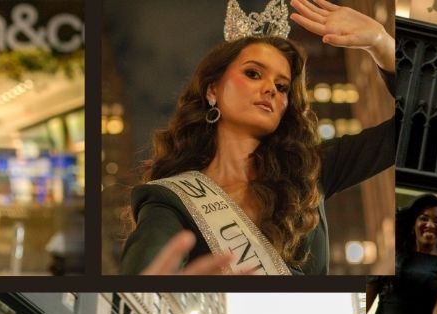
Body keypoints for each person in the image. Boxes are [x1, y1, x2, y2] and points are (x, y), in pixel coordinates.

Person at [119, 3, 397, 275]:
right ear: (213, 89)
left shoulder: (311, 169)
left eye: (282, 86)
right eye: (253, 74)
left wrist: (382, 43)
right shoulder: (170, 200)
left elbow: (420, 130)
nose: (270, 89)